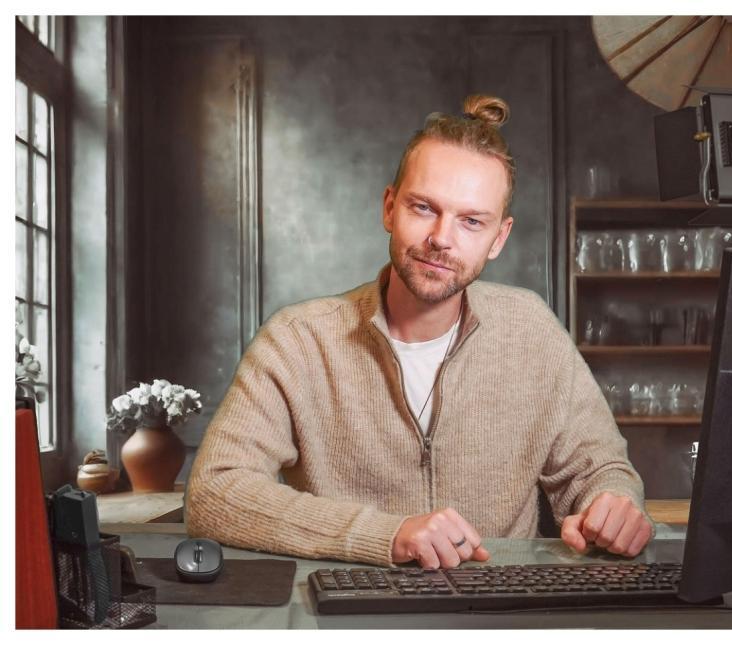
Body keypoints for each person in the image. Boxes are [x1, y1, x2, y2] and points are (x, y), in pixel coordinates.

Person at [186, 94, 654, 570]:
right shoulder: (297, 340)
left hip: (501, 616)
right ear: (390, 208)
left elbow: (600, 469)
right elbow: (214, 492)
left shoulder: (532, 329)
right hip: (349, 618)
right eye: (424, 207)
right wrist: (386, 535)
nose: (442, 239)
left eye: (471, 221)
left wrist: (613, 503)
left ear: (499, 238)